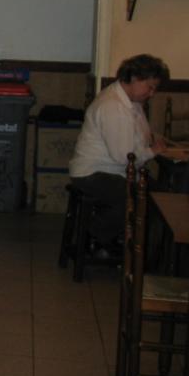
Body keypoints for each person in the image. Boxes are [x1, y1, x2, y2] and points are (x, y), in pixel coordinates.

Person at [68, 54, 170, 246]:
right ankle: (95, 238)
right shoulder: (112, 106)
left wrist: (152, 141)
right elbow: (124, 158)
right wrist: (152, 151)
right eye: (150, 87)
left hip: (112, 171)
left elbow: (141, 138)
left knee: (163, 198)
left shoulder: (132, 103)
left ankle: (140, 256)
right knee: (135, 199)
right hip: (92, 173)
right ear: (134, 79)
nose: (152, 93)